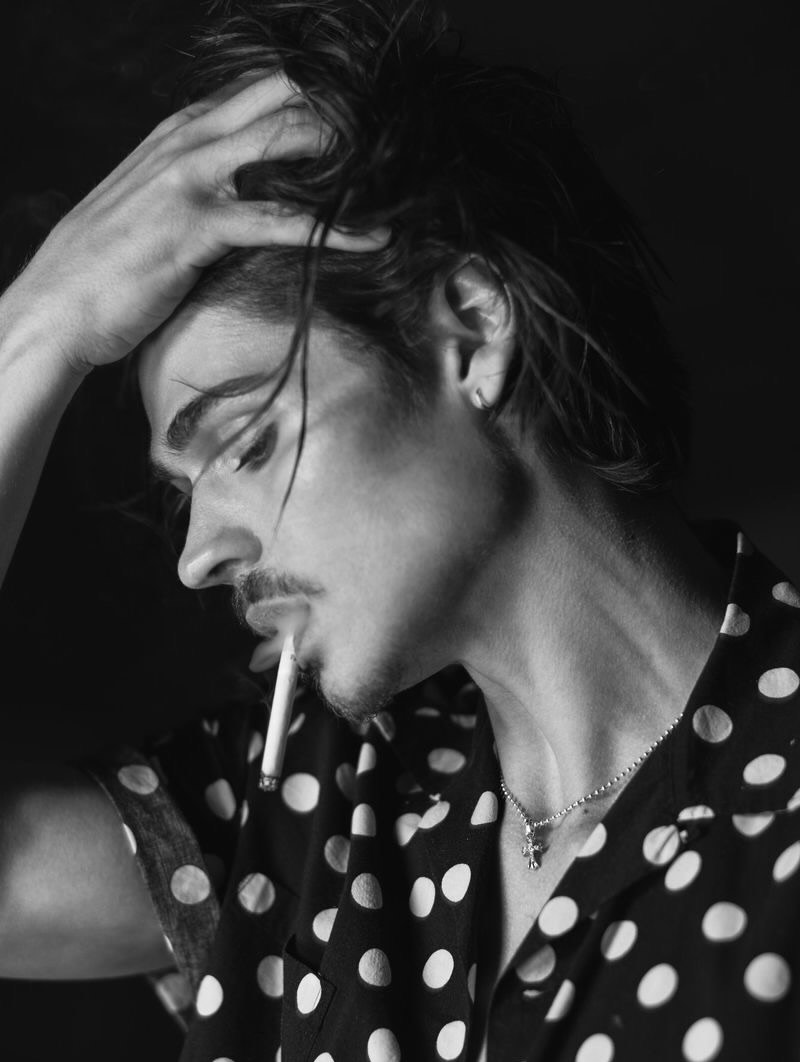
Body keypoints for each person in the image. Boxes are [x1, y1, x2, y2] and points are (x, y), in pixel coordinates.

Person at [1, 1, 799, 1060]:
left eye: (244, 443)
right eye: (184, 494)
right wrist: (37, 328)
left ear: (471, 330)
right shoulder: (311, 811)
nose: (198, 556)